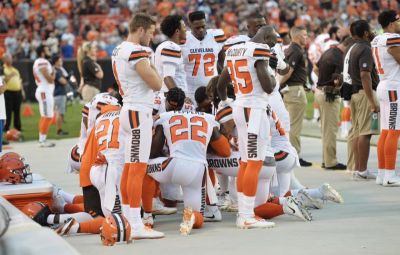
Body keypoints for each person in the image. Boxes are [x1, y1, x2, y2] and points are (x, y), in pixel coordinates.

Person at [217, 25, 277, 229]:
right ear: (267, 36)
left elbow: (220, 84)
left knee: (245, 162)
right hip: (254, 109)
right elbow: (268, 87)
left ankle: (244, 212)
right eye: (273, 40)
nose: (273, 44)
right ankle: (246, 216)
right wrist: (273, 78)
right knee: (254, 163)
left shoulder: (234, 49)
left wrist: (225, 102)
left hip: (240, 106)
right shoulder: (259, 49)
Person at [111, 13, 164, 239]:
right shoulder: (136, 51)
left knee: (130, 167)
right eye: (151, 32)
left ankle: (127, 218)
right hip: (137, 112)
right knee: (137, 168)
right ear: (140, 30)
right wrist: (152, 65)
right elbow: (156, 83)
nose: (152, 37)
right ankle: (134, 222)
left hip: (129, 110)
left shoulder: (119, 49)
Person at [148, 110, 231, 235]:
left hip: (174, 165)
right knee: (195, 214)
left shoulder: (165, 117)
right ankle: (190, 219)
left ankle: (146, 214)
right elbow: (225, 151)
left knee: (140, 167)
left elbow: (154, 151)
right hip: (197, 170)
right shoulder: (209, 118)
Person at [314, 37, 354, 170]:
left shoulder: (329, 51)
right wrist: (335, 87)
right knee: (330, 130)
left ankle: (326, 160)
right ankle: (331, 162)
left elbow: (315, 68)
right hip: (329, 95)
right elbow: (337, 80)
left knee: (326, 130)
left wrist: (323, 81)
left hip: (320, 91)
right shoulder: (339, 57)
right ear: (347, 46)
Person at [347, 20, 380, 180]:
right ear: (366, 33)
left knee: (358, 131)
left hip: (355, 93)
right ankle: (362, 170)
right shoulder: (366, 48)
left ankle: (357, 168)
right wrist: (372, 101)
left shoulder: (354, 48)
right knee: (366, 133)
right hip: (364, 93)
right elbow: (365, 74)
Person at [372, 10, 400, 186]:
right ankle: (389, 175)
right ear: (391, 23)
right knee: (394, 130)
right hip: (393, 87)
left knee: (385, 130)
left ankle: (382, 173)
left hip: (384, 84)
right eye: (398, 20)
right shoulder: (392, 38)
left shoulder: (378, 39)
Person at [280, 27, 312, 167]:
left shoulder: (290, 49)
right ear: (298, 36)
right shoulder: (296, 50)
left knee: (290, 124)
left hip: (292, 89)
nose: (307, 37)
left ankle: (291, 154)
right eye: (305, 35)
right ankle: (295, 156)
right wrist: (277, 86)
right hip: (294, 91)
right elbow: (288, 71)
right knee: (294, 126)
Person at [181, 11, 226, 103]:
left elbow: (222, 62)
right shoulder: (183, 39)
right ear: (190, 26)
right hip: (190, 92)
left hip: (212, 90)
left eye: (203, 26)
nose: (201, 30)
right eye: (197, 28)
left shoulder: (217, 35)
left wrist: (222, 84)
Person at [154, 14, 187, 93]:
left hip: (165, 95)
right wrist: (179, 97)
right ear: (177, 31)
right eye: (184, 27)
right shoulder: (171, 47)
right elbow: (168, 77)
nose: (186, 30)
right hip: (170, 97)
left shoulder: (166, 45)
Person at [33, 45, 55, 147]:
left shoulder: (39, 62)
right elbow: (50, 79)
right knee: (48, 116)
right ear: (42, 52)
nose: (48, 50)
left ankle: (42, 139)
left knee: (45, 116)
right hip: (44, 91)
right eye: (46, 49)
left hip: (44, 91)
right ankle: (42, 140)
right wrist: (54, 73)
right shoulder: (42, 62)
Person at [3, 54, 23, 133]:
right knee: (8, 110)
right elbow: (3, 80)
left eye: (11, 59)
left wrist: (22, 91)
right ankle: (6, 126)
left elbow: (19, 80)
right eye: (9, 59)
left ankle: (17, 127)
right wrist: (10, 75)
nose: (11, 60)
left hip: (17, 92)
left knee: (17, 110)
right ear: (5, 60)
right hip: (8, 92)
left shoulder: (15, 69)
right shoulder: (3, 69)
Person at [52, 55, 69, 136]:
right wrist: (66, 79)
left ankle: (59, 129)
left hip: (58, 93)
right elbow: (63, 81)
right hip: (59, 93)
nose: (61, 61)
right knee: (59, 112)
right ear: (56, 61)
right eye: (60, 60)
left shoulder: (57, 70)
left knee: (60, 112)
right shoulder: (57, 71)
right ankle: (59, 130)